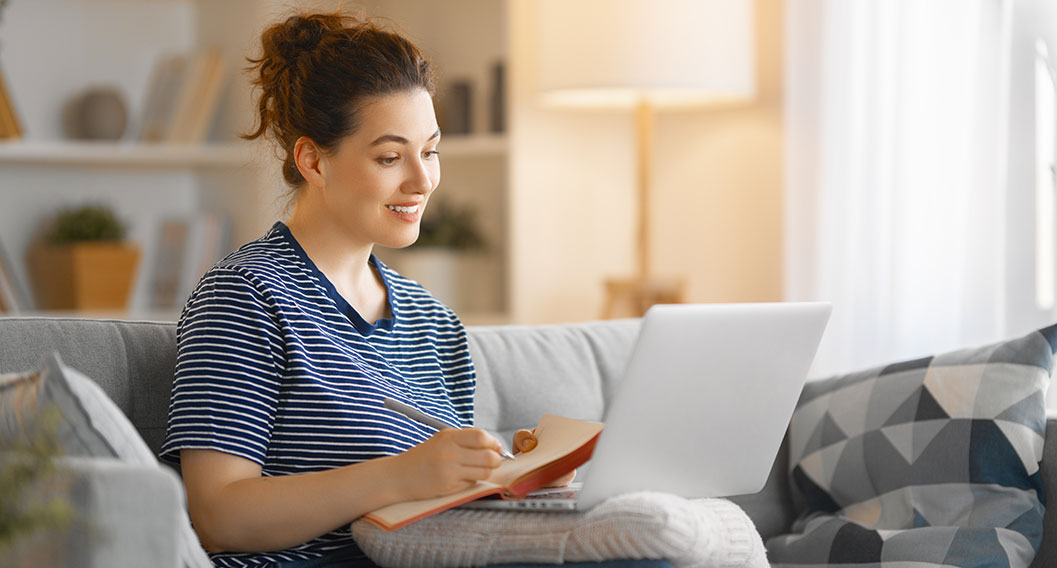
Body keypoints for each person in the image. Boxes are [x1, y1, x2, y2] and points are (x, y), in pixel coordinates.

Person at [160, 9, 673, 568]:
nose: (423, 180)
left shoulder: (431, 320)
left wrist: (511, 475)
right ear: (312, 160)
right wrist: (400, 475)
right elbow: (218, 517)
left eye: (429, 151)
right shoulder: (244, 295)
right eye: (389, 156)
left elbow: (443, 505)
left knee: (643, 553)